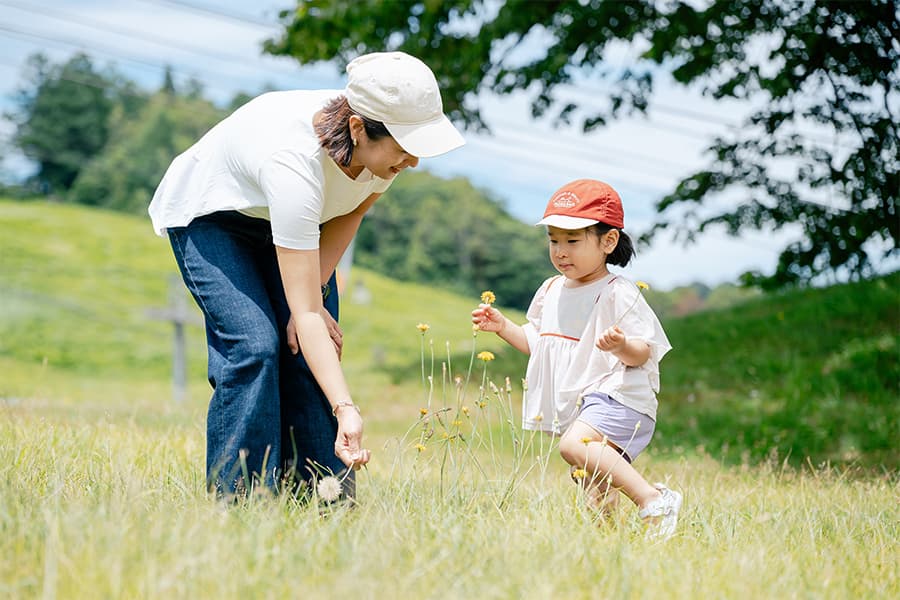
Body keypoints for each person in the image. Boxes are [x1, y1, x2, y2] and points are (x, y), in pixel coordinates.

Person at [149, 51, 465, 497]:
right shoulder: (293, 162)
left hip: (299, 224)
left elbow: (352, 210)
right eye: (405, 147)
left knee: (313, 350)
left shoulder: (382, 154)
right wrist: (346, 407)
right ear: (358, 128)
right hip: (214, 216)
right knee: (255, 345)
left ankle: (323, 506)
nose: (413, 161)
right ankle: (242, 503)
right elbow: (307, 315)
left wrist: (313, 294)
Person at [471, 179, 682, 538]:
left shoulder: (618, 292)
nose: (560, 251)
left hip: (620, 395)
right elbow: (539, 343)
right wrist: (504, 326)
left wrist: (619, 346)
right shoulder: (551, 289)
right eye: (554, 240)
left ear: (608, 241)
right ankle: (609, 542)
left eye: (573, 240)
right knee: (589, 479)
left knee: (574, 446)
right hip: (589, 400)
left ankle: (654, 500)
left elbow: (643, 351)